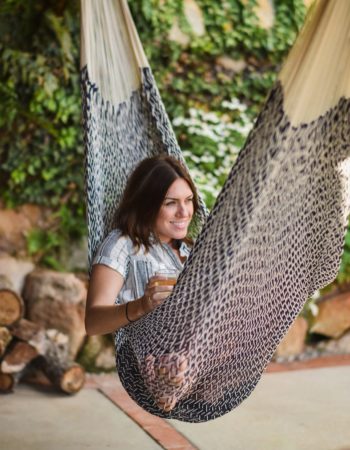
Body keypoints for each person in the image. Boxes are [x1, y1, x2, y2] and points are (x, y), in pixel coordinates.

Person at [85, 154, 199, 337]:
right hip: (152, 359)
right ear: (147, 205)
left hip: (203, 351)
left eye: (188, 200)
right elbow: (93, 323)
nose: (184, 212)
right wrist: (142, 305)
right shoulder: (122, 246)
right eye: (171, 203)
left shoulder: (196, 250)